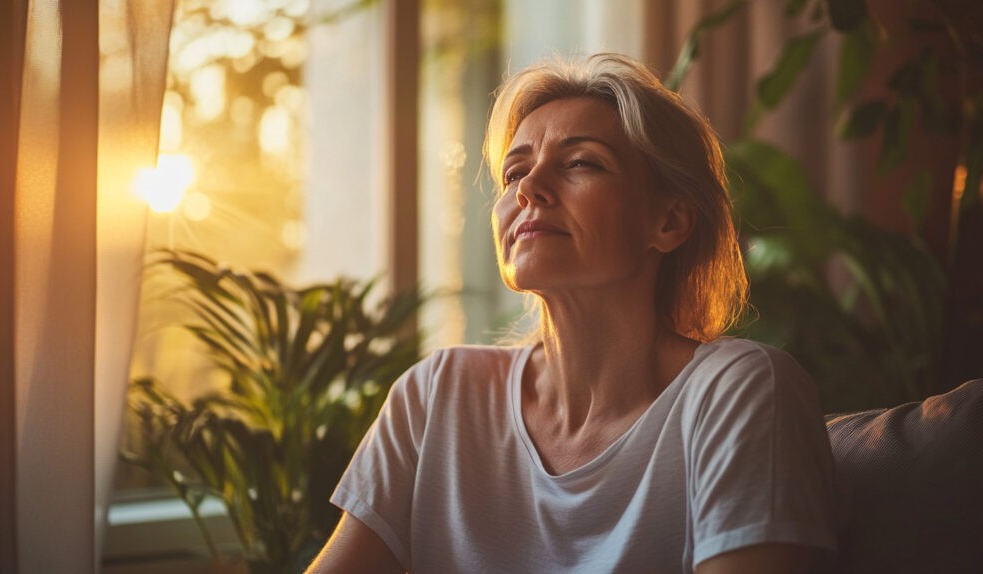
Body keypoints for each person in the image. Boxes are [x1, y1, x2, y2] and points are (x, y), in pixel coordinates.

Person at [306, 52, 838, 573]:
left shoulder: (738, 391)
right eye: (514, 173)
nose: (529, 190)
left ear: (669, 221)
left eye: (581, 162)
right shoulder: (435, 397)